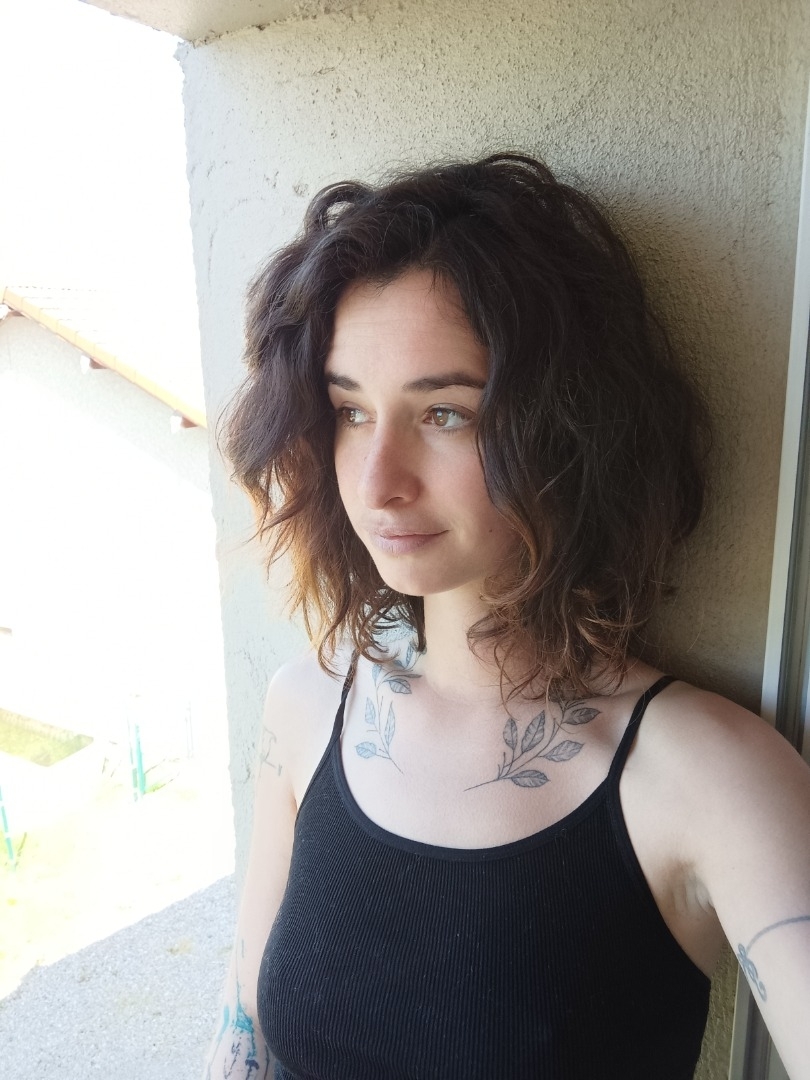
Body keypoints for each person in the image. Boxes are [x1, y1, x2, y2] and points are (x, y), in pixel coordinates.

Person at [204, 154, 810, 1080]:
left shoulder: (707, 776)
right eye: (350, 412)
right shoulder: (307, 709)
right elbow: (242, 1030)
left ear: (565, 427)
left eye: (444, 414)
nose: (377, 481)